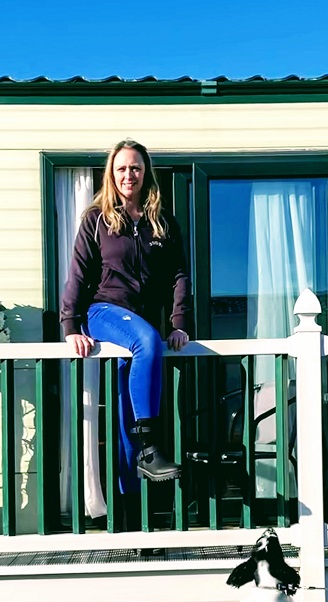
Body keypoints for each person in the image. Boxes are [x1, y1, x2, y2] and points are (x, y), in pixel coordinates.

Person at [60, 139, 190, 481]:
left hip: (139, 318)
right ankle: (150, 448)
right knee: (147, 341)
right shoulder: (96, 220)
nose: (128, 174)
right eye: (121, 168)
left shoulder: (161, 222)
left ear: (145, 173)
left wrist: (179, 323)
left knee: (126, 399)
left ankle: (129, 496)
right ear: (111, 174)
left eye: (135, 167)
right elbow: (77, 272)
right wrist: (70, 325)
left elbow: (179, 274)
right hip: (104, 311)